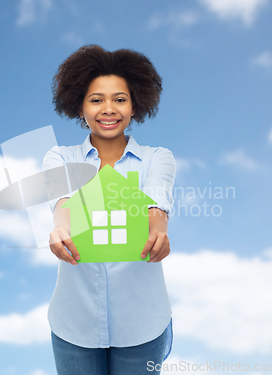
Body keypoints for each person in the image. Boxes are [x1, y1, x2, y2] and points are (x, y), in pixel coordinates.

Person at [43, 45, 176, 375]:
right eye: (96, 99)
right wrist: (61, 228)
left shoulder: (157, 157)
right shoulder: (60, 157)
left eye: (120, 99)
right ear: (80, 106)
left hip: (142, 322)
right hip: (75, 321)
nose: (108, 109)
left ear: (135, 106)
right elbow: (62, 202)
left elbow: (157, 200)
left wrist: (158, 229)